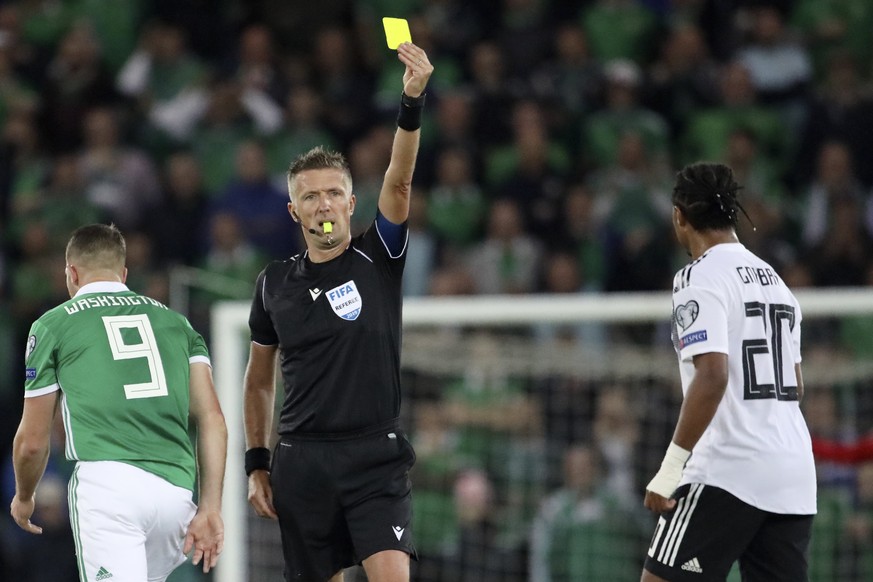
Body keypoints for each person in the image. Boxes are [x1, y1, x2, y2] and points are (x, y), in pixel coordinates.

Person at [243, 41, 433, 582]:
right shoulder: (273, 284)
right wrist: (258, 462)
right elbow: (258, 382)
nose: (323, 205)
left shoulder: (379, 256)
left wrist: (411, 101)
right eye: (310, 197)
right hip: (302, 463)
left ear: (352, 203)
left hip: (375, 457)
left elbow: (399, 178)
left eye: (333, 194)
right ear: (293, 210)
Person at [10, 223, 227, 581]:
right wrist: (211, 506)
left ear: (72, 274)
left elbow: (32, 444)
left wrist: (24, 496)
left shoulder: (53, 324)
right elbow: (213, 419)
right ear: (124, 274)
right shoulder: (178, 324)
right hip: (176, 495)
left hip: (109, 488)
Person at [642, 162, 816, 581]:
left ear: (679, 216)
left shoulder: (698, 277)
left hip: (727, 470)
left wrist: (670, 470)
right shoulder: (777, 282)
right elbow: (796, 384)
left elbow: (713, 375)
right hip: (792, 474)